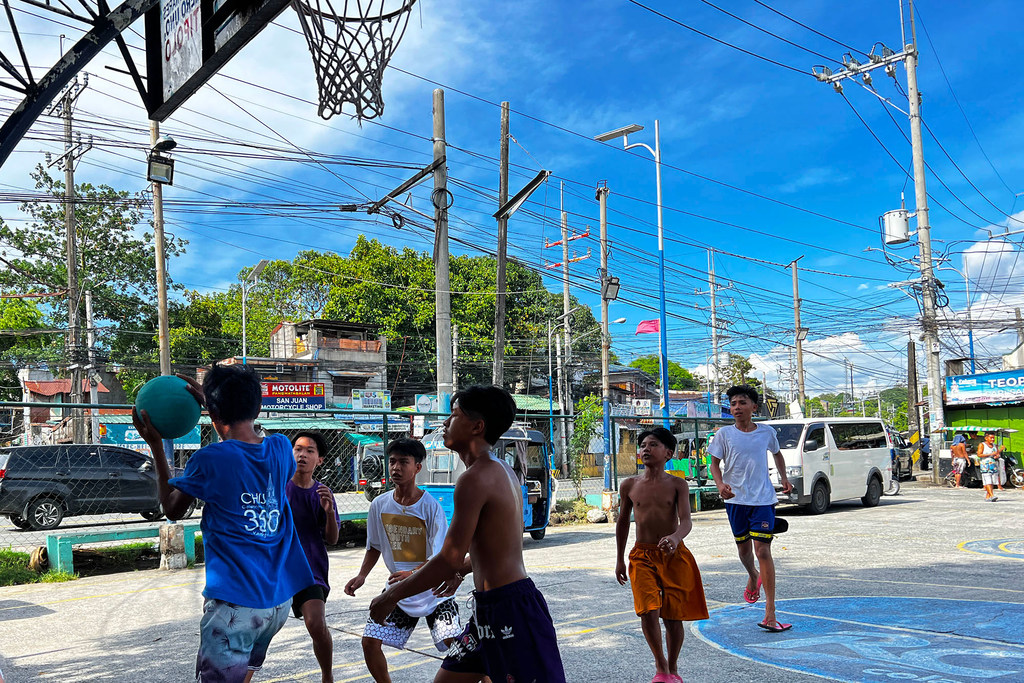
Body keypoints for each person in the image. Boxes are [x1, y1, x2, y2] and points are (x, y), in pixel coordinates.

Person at [368, 385, 566, 683]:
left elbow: (448, 557)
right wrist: (462, 570)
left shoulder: (474, 479)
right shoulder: (501, 469)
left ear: (477, 426)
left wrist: (391, 596)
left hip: (512, 611)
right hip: (489, 611)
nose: (446, 422)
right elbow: (495, 548)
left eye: (455, 414)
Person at [132, 365, 314, 683]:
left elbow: (172, 509)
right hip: (275, 604)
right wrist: (215, 406)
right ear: (257, 407)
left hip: (234, 606)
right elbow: (245, 443)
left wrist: (157, 448)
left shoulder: (210, 459)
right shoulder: (282, 448)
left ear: (213, 415)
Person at [344, 437, 463, 683]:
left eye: (403, 462)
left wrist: (412, 574)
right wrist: (362, 575)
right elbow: (374, 545)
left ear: (418, 467)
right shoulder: (379, 504)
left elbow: (441, 556)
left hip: (434, 588)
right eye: (393, 462)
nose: (396, 468)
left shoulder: (430, 507)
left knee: (459, 649)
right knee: (370, 641)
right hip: (400, 591)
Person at [615, 427, 709, 683]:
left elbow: (686, 521)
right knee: (648, 610)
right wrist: (619, 559)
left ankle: (673, 667)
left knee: (672, 616)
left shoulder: (678, 484)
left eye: (653, 444)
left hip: (674, 555)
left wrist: (676, 537)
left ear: (668, 453)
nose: (645, 449)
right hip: (642, 556)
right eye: (643, 444)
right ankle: (661, 666)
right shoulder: (629, 485)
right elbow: (622, 523)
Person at [708, 385, 793, 633]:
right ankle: (752, 575)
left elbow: (777, 454)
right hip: (735, 501)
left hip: (763, 499)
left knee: (762, 550)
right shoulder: (724, 434)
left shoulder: (766, 432)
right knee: (744, 553)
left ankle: (770, 612)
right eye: (733, 404)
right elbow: (714, 463)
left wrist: (783, 477)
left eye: (742, 403)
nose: (737, 408)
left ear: (754, 407)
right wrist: (720, 484)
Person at [288, 431, 341, 683]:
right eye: (298, 449)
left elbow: (332, 539)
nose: (302, 454)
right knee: (257, 628)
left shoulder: (322, 493)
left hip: (311, 570)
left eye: (310, 451)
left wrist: (329, 513)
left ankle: (327, 675)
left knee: (316, 625)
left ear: (319, 460)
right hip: (277, 570)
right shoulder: (277, 487)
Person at [978, 433, 1004, 502]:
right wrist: (990, 454)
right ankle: (992, 495)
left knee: (992, 481)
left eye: (993, 438)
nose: (992, 439)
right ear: (986, 438)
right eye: (991, 438)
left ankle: (988, 496)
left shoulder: (994, 446)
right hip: (985, 466)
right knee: (988, 480)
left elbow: (996, 454)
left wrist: (996, 455)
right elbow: (979, 454)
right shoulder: (982, 445)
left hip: (993, 465)